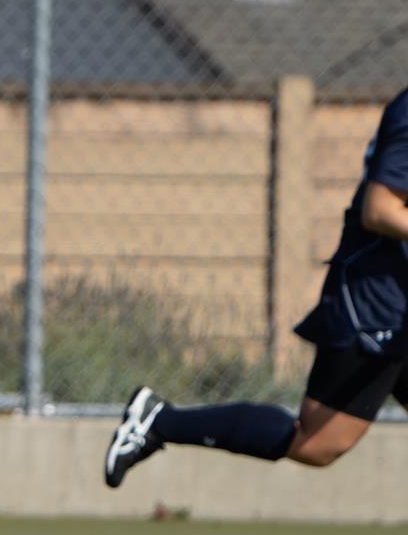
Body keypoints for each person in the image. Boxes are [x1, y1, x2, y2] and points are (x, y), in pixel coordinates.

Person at [106, 87, 408, 487]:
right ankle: (159, 421)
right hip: (379, 301)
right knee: (316, 443)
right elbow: (380, 208)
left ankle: (160, 421)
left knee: (319, 446)